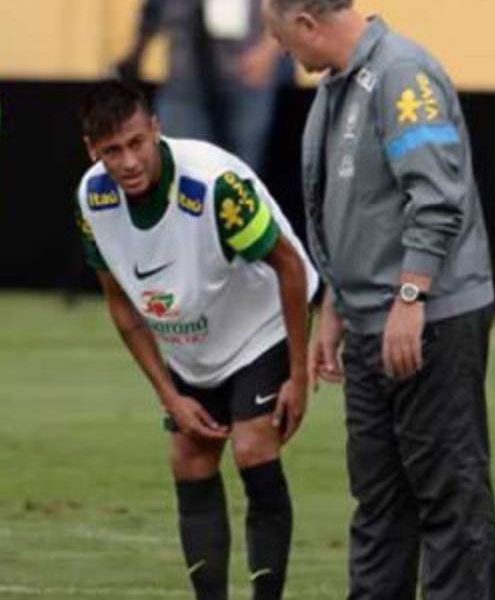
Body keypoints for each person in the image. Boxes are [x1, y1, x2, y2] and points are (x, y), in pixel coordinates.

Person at [262, 0, 495, 598]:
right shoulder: (337, 86)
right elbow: (354, 211)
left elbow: (437, 197)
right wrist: (335, 307)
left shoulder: (403, 74)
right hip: (369, 320)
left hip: (429, 319)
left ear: (307, 23)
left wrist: (411, 297)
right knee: (377, 503)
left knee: (449, 495)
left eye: (283, 39)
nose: (283, 53)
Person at [75, 81, 317, 600]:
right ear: (92, 150)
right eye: (113, 150)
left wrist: (300, 375)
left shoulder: (214, 188)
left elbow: (291, 268)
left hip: (262, 324)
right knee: (190, 457)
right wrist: (169, 397)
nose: (129, 162)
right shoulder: (92, 199)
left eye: (137, 143)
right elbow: (122, 306)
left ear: (155, 129)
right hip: (191, 342)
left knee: (252, 447)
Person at [116, 0, 295, 175]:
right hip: (186, 67)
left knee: (240, 173)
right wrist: (137, 52)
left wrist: (269, 49)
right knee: (181, 165)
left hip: (249, 64)